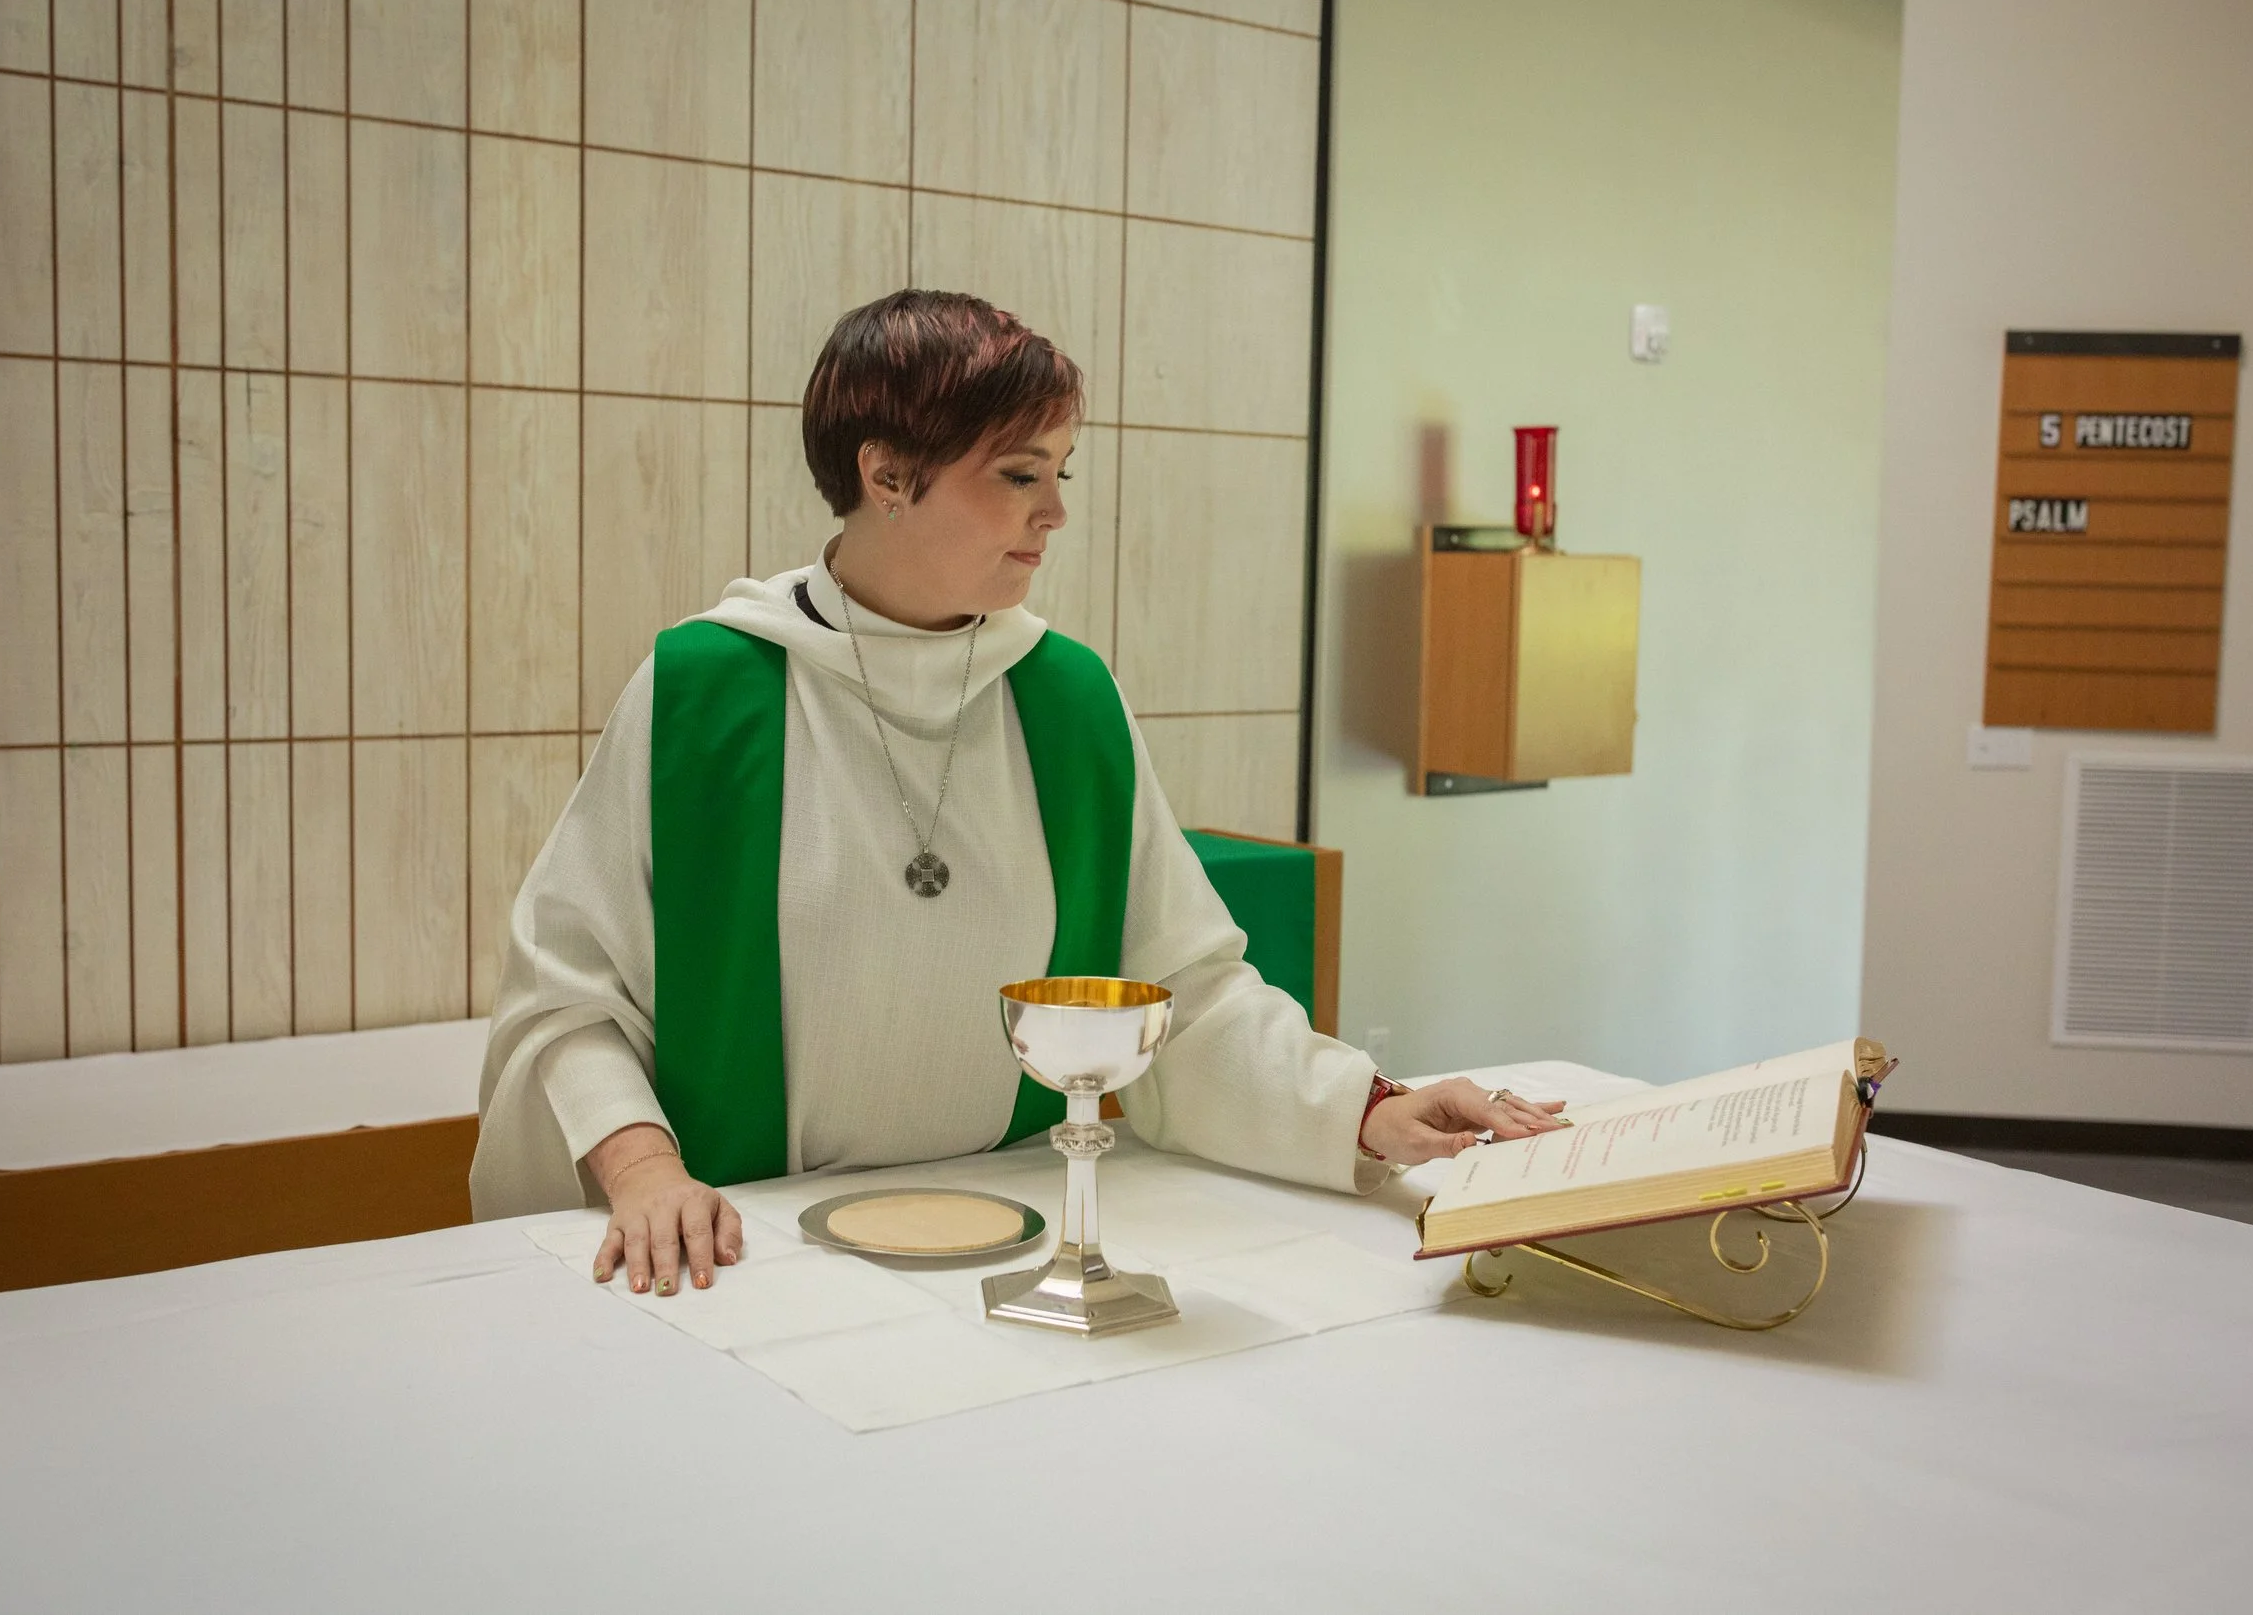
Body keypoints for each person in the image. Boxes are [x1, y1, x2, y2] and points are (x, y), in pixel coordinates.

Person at [471, 290, 1566, 1297]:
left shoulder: (1065, 696)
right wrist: (644, 1169)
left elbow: (1180, 996)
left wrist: (1367, 1111)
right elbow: (569, 995)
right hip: (745, 1251)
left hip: (1027, 1237)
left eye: (1062, 474)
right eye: (1017, 474)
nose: (1054, 514)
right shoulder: (705, 691)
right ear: (887, 474)